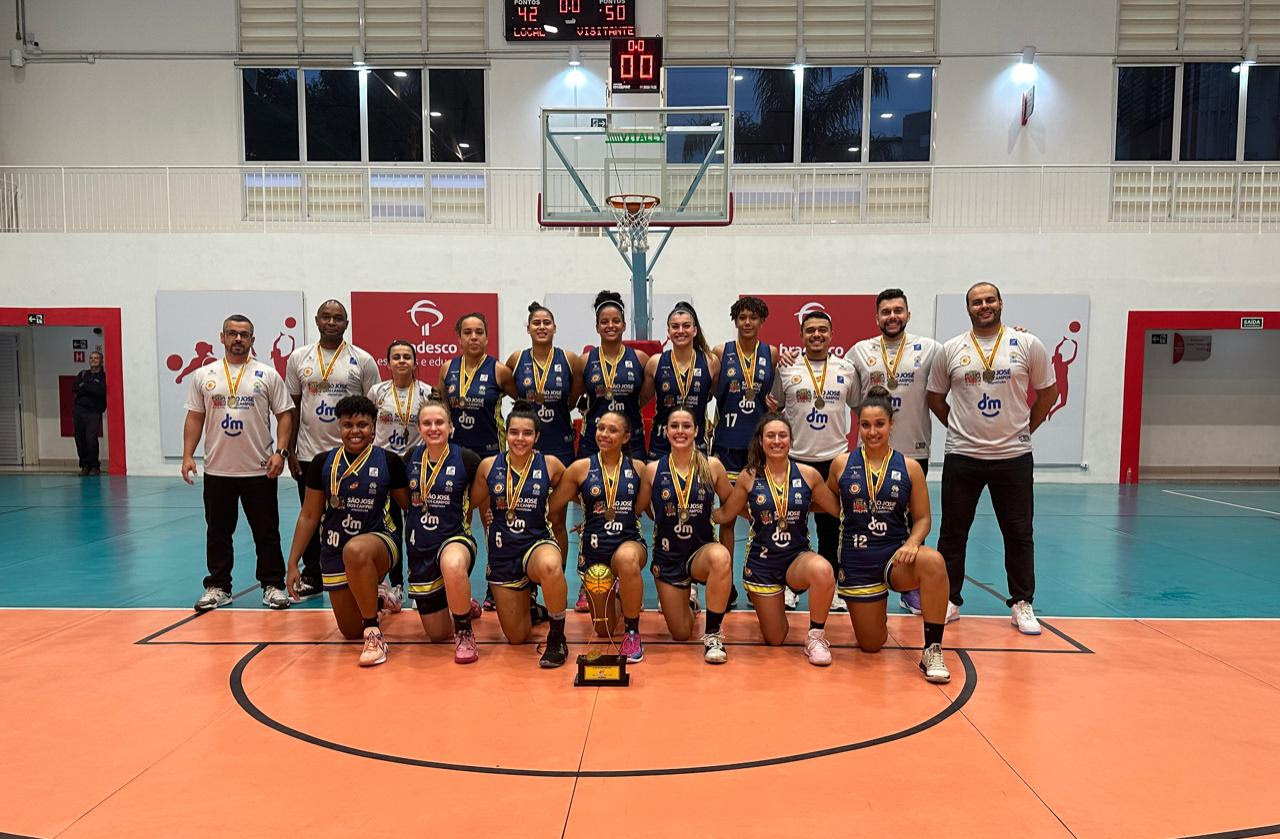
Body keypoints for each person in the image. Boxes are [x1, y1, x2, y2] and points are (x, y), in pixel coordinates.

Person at [927, 282, 1058, 634]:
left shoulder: (1027, 344)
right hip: (962, 455)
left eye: (989, 300)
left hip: (1013, 455)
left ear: (1000, 303)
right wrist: (959, 427)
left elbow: (1048, 392)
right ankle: (950, 599)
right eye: (976, 302)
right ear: (967, 308)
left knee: (1018, 532)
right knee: (953, 533)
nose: (984, 306)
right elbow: (936, 398)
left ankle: (1022, 602)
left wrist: (1026, 428)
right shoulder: (951, 349)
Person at [829, 386, 952, 682]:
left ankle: (932, 648)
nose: (872, 432)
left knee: (933, 562)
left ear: (891, 424)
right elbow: (828, 503)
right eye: (866, 425)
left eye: (879, 424)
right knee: (871, 646)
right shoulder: (841, 464)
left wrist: (912, 542)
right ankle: (875, 611)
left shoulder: (909, 467)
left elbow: (923, 518)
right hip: (857, 563)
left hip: (895, 558)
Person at [181, 315, 295, 612]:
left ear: (253, 340)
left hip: (260, 468)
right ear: (222, 337)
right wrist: (187, 455)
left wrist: (280, 452)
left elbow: (285, 415)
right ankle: (218, 586)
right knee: (218, 531)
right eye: (232, 333)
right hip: (218, 469)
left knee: (266, 531)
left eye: (244, 334)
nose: (238, 339)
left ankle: (273, 585)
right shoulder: (204, 375)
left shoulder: (267, 375)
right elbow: (195, 416)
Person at [285, 395, 408, 666]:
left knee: (357, 550)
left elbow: (410, 507)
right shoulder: (321, 463)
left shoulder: (389, 461)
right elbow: (309, 515)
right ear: (338, 427)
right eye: (348, 425)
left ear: (374, 427)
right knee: (350, 631)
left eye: (362, 424)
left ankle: (374, 634)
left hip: (380, 542)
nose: (355, 431)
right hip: (334, 549)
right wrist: (293, 562)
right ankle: (375, 595)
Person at [713, 413, 839, 665]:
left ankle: (815, 636)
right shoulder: (748, 477)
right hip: (762, 565)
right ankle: (774, 609)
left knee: (823, 570)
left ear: (791, 440)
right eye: (770, 435)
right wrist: (701, 511)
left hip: (797, 559)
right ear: (761, 441)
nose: (777, 441)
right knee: (776, 638)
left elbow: (836, 509)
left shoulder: (809, 475)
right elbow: (728, 512)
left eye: (783, 435)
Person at [849, 289, 942, 616]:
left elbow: (961, 362)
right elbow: (834, 379)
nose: (892, 316)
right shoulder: (860, 352)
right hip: (871, 453)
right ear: (877, 317)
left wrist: (1014, 335)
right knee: (866, 515)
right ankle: (862, 577)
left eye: (898, 311)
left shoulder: (929, 349)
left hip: (913, 449)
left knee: (910, 518)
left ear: (908, 314)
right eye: (886, 311)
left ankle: (910, 586)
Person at [285, 300, 381, 601]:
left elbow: (372, 407)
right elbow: (293, 406)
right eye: (326, 317)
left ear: (346, 323)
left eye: (338, 318)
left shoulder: (362, 360)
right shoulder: (299, 358)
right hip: (309, 452)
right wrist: (289, 448)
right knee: (312, 514)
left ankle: (365, 574)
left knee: (359, 515)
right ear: (316, 320)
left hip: (351, 454)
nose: (331, 322)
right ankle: (314, 574)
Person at [769, 309, 861, 613]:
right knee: (791, 527)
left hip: (834, 461)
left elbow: (860, 405)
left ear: (832, 335)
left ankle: (830, 587)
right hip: (795, 460)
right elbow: (776, 406)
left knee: (830, 528)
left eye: (822, 330)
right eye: (810, 330)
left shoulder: (846, 369)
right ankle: (790, 586)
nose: (817, 335)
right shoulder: (786, 368)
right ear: (801, 335)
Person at [469, 401, 572, 668]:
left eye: (527, 433)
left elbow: (574, 492)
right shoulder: (488, 466)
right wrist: (486, 512)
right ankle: (535, 608)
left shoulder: (550, 465)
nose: (520, 439)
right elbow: (468, 501)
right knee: (516, 637)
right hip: (504, 554)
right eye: (514, 432)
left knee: (551, 566)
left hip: (536, 543)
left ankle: (557, 637)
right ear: (506, 434)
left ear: (537, 436)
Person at [549, 410, 651, 663]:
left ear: (626, 437)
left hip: (629, 544)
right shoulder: (579, 469)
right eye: (600, 428)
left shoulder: (639, 469)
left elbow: (645, 509)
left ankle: (632, 632)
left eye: (612, 430)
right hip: (594, 553)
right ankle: (621, 593)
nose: (604, 434)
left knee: (627, 559)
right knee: (604, 630)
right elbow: (552, 506)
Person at [642, 408, 735, 664]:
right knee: (681, 633)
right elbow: (639, 508)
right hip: (668, 556)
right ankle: (689, 603)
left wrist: (718, 519)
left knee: (720, 557)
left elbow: (730, 505)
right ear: (666, 430)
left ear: (697, 430)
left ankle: (714, 634)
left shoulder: (711, 465)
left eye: (686, 426)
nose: (680, 431)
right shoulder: (653, 470)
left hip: (700, 552)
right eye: (674, 426)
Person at [403, 396, 485, 664]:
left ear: (451, 426)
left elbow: (479, 497)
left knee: (452, 564)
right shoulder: (409, 459)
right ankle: (462, 601)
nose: (433, 428)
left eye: (440, 422)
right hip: (421, 545)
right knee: (437, 634)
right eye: (427, 423)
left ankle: (464, 632)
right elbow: (405, 501)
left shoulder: (467, 459)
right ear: (419, 428)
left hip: (455, 538)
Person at [505, 301, 579, 565]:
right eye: (536, 323)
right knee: (524, 515)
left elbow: (573, 397)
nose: (542, 327)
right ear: (528, 328)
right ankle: (524, 577)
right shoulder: (516, 360)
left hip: (560, 447)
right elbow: (516, 397)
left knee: (556, 517)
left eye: (547, 322)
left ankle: (555, 573)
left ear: (555, 328)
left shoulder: (569, 359)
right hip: (526, 449)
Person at [711, 297, 778, 560]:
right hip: (726, 442)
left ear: (762, 321)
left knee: (761, 512)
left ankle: (759, 574)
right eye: (742, 318)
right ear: (735, 321)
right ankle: (726, 580)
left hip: (758, 445)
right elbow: (713, 390)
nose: (747, 322)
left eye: (753, 317)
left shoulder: (770, 353)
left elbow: (773, 397)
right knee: (727, 515)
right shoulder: (721, 351)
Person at [368, 339, 433, 608]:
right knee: (390, 526)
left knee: (418, 527)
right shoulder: (377, 392)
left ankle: (421, 582)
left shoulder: (427, 392)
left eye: (407, 356)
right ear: (388, 363)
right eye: (396, 357)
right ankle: (395, 585)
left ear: (416, 363)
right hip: (386, 466)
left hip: (417, 466)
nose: (402, 361)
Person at [572, 291, 650, 462]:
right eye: (604, 322)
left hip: (631, 442)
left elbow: (644, 397)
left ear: (624, 325)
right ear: (597, 327)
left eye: (616, 321)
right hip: (594, 441)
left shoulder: (640, 359)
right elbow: (573, 398)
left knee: (634, 488)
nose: (610, 326)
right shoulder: (584, 361)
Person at [644, 301, 718, 458]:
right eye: (675, 326)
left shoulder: (711, 362)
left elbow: (725, 400)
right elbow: (638, 402)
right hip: (661, 446)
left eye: (686, 326)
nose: (680, 331)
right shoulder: (655, 363)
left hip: (696, 446)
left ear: (695, 330)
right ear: (668, 332)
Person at [439, 312, 514, 459]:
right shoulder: (447, 368)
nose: (474, 337)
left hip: (491, 449)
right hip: (455, 450)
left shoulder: (499, 370)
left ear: (486, 339)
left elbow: (522, 400)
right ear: (459, 339)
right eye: (467, 332)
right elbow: (444, 409)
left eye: (479, 332)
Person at [72, 350, 107, 476]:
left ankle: (94, 466)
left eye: (96, 358)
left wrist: (85, 387)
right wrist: (89, 387)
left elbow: (100, 392)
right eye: (91, 358)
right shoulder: (82, 374)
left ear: (101, 360)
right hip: (79, 411)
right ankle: (84, 465)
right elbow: (75, 388)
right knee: (79, 439)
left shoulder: (103, 377)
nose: (93, 360)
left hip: (93, 411)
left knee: (91, 439)